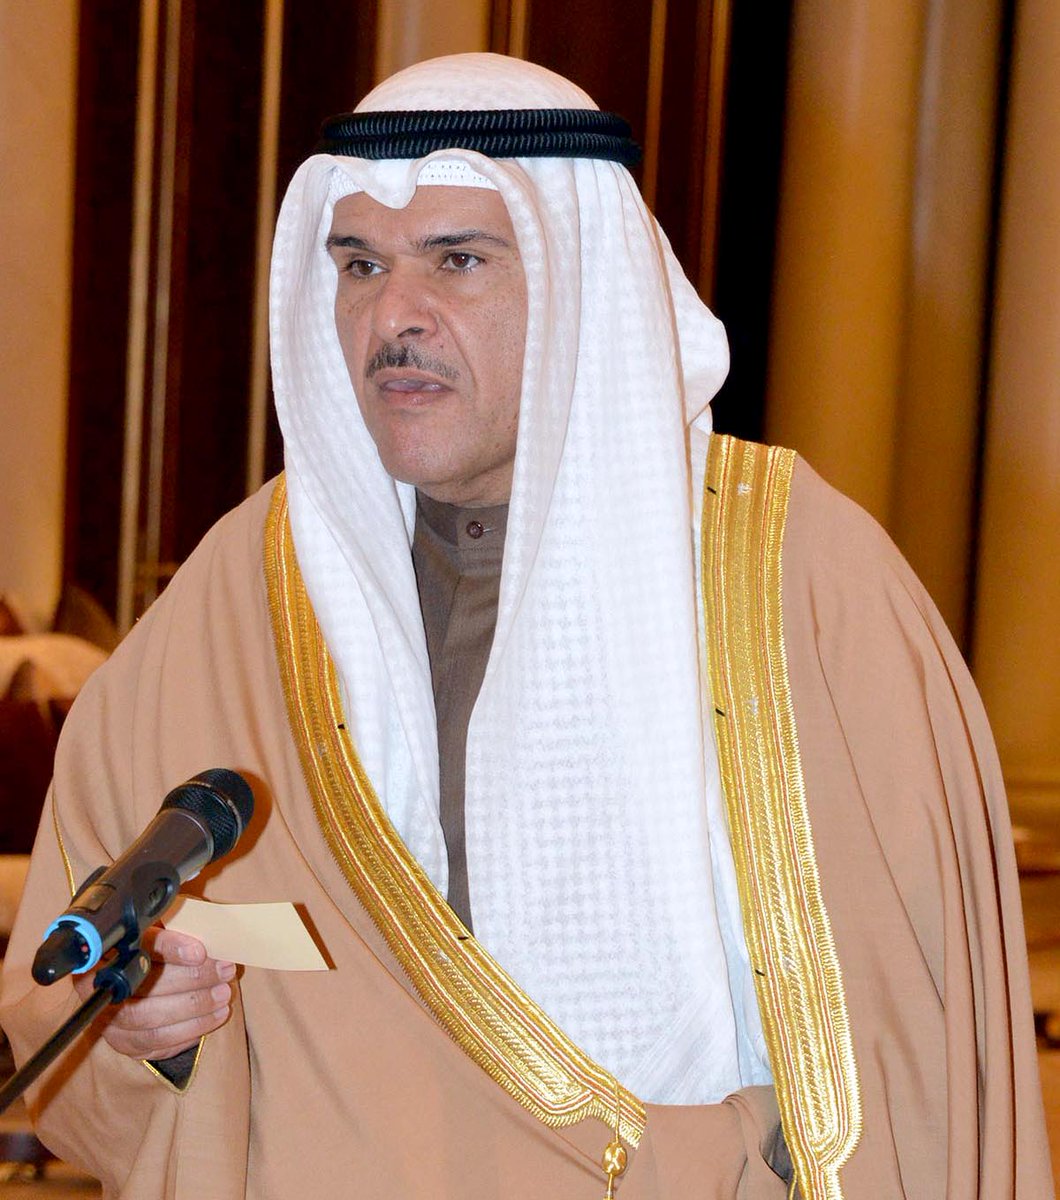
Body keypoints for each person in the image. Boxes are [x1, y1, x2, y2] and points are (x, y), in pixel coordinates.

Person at [0, 53, 1052, 1199]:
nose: (392, 316)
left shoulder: (804, 582)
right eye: (359, 265)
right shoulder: (239, 596)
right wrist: (150, 1028)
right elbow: (63, 989)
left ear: (580, 278)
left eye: (457, 260)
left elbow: (905, 1066)